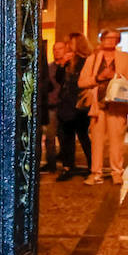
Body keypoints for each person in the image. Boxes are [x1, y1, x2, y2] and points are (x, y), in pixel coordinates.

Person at [78, 29, 128, 185]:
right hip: (98, 105)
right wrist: (99, 78)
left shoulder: (125, 58)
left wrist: (118, 78)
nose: (111, 41)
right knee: (96, 141)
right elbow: (81, 82)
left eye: (114, 38)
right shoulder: (93, 58)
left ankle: (117, 172)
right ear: (101, 40)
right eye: (107, 38)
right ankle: (95, 172)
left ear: (118, 40)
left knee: (117, 139)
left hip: (117, 104)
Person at [55, 33, 91, 180]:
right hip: (66, 104)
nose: (68, 45)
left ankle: (92, 166)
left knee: (83, 136)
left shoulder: (85, 60)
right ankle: (67, 166)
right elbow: (59, 80)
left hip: (79, 104)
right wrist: (63, 65)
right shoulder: (68, 60)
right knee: (66, 137)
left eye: (71, 43)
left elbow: (81, 81)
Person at [40, 41, 65, 173]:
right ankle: (51, 163)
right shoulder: (49, 68)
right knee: (50, 136)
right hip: (52, 105)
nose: (57, 51)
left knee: (64, 136)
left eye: (60, 49)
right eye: (55, 49)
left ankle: (66, 162)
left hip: (64, 105)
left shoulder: (67, 67)